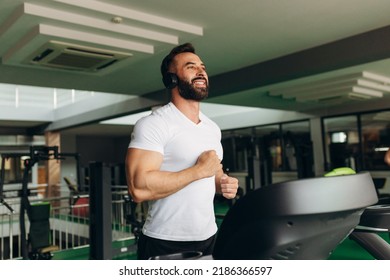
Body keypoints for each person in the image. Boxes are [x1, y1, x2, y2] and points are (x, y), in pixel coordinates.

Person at [125, 42, 239, 260]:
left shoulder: (212, 128)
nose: (201, 71)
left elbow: (212, 173)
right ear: (172, 79)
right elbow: (138, 188)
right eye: (190, 66)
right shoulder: (154, 124)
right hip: (165, 241)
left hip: (209, 236)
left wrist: (222, 181)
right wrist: (198, 170)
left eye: (202, 67)